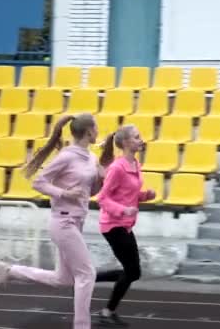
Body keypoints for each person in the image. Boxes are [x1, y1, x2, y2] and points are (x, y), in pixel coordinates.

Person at [0, 113, 104, 329]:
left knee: (64, 279)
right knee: (87, 274)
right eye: (96, 128)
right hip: (63, 223)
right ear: (89, 132)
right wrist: (63, 194)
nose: (98, 132)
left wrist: (100, 179)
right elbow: (39, 182)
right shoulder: (66, 156)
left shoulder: (91, 158)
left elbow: (91, 192)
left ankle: (9, 271)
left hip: (77, 221)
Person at [95, 124, 157, 327]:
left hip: (126, 224)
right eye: (137, 137)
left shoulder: (135, 165)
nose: (141, 140)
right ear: (126, 143)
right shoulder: (117, 168)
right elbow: (102, 198)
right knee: (132, 272)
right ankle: (106, 311)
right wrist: (122, 210)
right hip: (113, 225)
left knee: (132, 271)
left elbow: (130, 195)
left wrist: (145, 196)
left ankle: (90, 279)